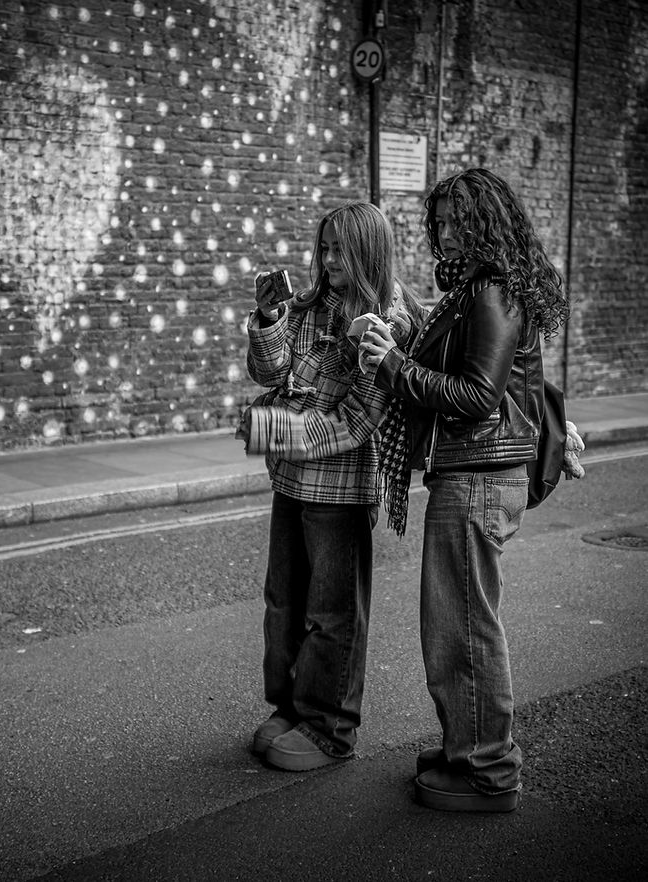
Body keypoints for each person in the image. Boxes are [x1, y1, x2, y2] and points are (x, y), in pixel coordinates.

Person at [357, 168, 570, 811]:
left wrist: (395, 367)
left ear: (487, 222)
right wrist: (401, 342)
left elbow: (479, 396)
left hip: (479, 476)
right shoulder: (475, 290)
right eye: (439, 223)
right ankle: (466, 747)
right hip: (469, 473)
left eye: (457, 222)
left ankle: (487, 769)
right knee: (451, 625)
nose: (444, 234)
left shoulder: (492, 292)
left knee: (466, 626)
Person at [237, 201, 424, 771]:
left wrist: (270, 427)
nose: (328, 259)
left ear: (370, 250)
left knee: (333, 613)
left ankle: (330, 728)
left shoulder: (391, 322)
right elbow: (269, 372)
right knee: (284, 603)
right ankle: (291, 709)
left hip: (340, 489)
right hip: (291, 478)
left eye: (340, 249)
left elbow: (359, 419)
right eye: (323, 248)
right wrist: (269, 319)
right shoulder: (315, 306)